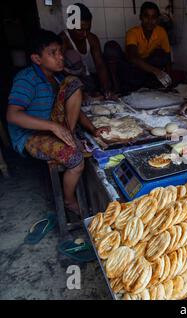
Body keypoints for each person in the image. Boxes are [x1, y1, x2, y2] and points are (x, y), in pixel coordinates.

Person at [6, 29, 109, 215]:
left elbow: (74, 108)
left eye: (60, 51)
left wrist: (93, 129)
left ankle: (68, 135)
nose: (60, 57)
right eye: (53, 53)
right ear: (37, 59)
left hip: (53, 127)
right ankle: (69, 201)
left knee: (74, 82)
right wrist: (53, 126)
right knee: (76, 160)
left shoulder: (57, 78)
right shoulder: (26, 79)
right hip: (31, 134)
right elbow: (12, 115)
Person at [104, 1, 173, 93]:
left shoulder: (161, 32)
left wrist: (168, 81)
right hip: (131, 68)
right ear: (140, 17)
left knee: (161, 54)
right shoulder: (132, 33)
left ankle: (144, 83)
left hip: (146, 67)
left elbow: (167, 57)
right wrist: (157, 71)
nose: (150, 21)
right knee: (111, 47)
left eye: (153, 17)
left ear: (157, 19)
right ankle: (116, 86)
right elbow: (133, 58)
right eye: (146, 16)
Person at [60, 3, 113, 98]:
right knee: (71, 56)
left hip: (87, 77)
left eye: (88, 29)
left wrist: (106, 89)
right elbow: (58, 69)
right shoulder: (63, 39)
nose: (84, 34)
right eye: (80, 30)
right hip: (67, 79)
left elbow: (100, 65)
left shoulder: (92, 39)